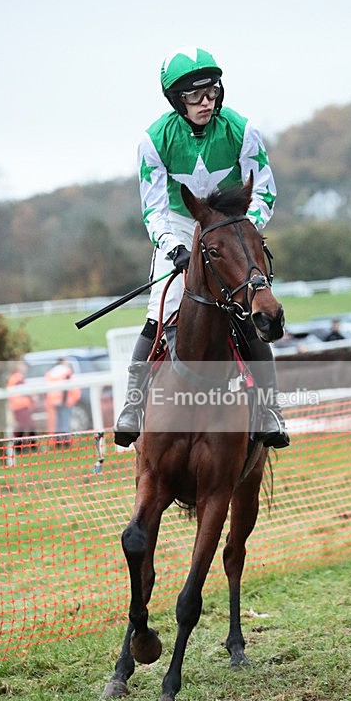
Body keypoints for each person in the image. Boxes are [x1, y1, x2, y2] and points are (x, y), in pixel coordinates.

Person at [114, 46, 289, 449]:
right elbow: (154, 209)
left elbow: (265, 191)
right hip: (179, 224)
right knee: (163, 304)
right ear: (177, 100)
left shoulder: (242, 130)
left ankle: (269, 409)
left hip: (230, 222)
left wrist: (242, 230)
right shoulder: (153, 140)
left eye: (211, 92)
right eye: (195, 96)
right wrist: (174, 247)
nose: (206, 102)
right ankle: (133, 404)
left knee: (251, 303)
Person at [44, 358, 81, 443]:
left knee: (57, 422)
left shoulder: (50, 373)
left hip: (53, 401)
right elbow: (67, 388)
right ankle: (65, 441)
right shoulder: (66, 371)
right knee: (65, 421)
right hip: (64, 400)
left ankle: (57, 441)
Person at [6, 361, 36, 449]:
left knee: (22, 427)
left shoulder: (16, 377)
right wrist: (31, 399)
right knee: (30, 425)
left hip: (19, 406)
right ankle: (31, 446)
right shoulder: (17, 378)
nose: (25, 368)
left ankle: (19, 447)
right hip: (20, 406)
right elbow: (24, 393)